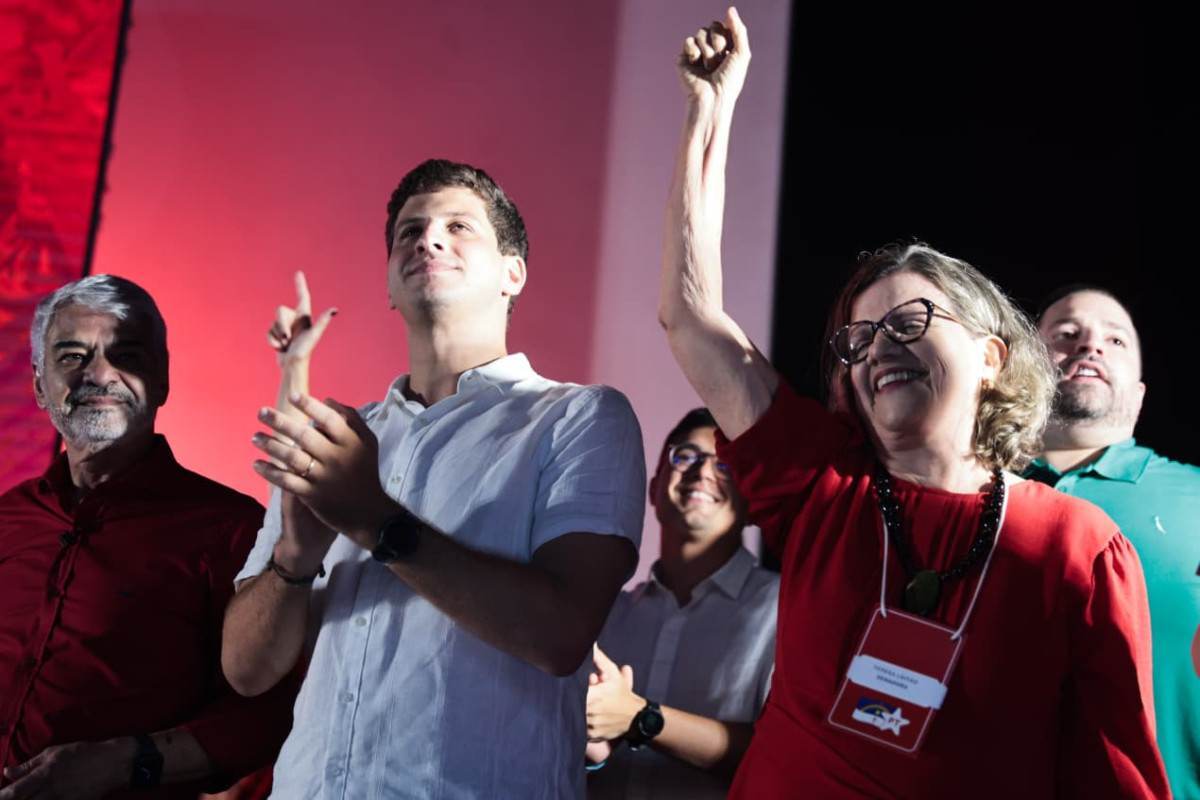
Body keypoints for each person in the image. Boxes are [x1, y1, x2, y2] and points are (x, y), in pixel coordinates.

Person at [655, 8, 1169, 797]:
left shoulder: (1078, 546)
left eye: (910, 322)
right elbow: (692, 317)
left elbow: (1113, 775)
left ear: (992, 358)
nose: (878, 349)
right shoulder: (822, 484)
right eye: (859, 338)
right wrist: (710, 110)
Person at [221, 159, 646, 798]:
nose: (428, 240)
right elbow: (246, 671)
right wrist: (295, 558)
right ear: (389, 287)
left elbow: (562, 634)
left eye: (458, 226)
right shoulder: (335, 442)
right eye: (409, 232)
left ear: (513, 273)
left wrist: (372, 519)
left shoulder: (579, 417)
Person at [0, 275, 295, 799]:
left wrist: (122, 762)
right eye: (72, 356)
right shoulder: (8, 517)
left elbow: (266, 716)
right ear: (40, 387)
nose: (100, 374)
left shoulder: (231, 529)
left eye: (126, 355)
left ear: (161, 381)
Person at [1030, 285, 1200, 799]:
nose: (1090, 346)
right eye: (1066, 334)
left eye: (1115, 340)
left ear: (1140, 395)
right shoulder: (969, 491)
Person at [585, 408, 778, 799]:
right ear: (654, 487)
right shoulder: (609, 615)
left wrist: (640, 718)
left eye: (725, 464)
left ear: (752, 504)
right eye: (685, 456)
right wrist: (593, 746)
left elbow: (782, 754)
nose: (703, 471)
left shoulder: (784, 610)